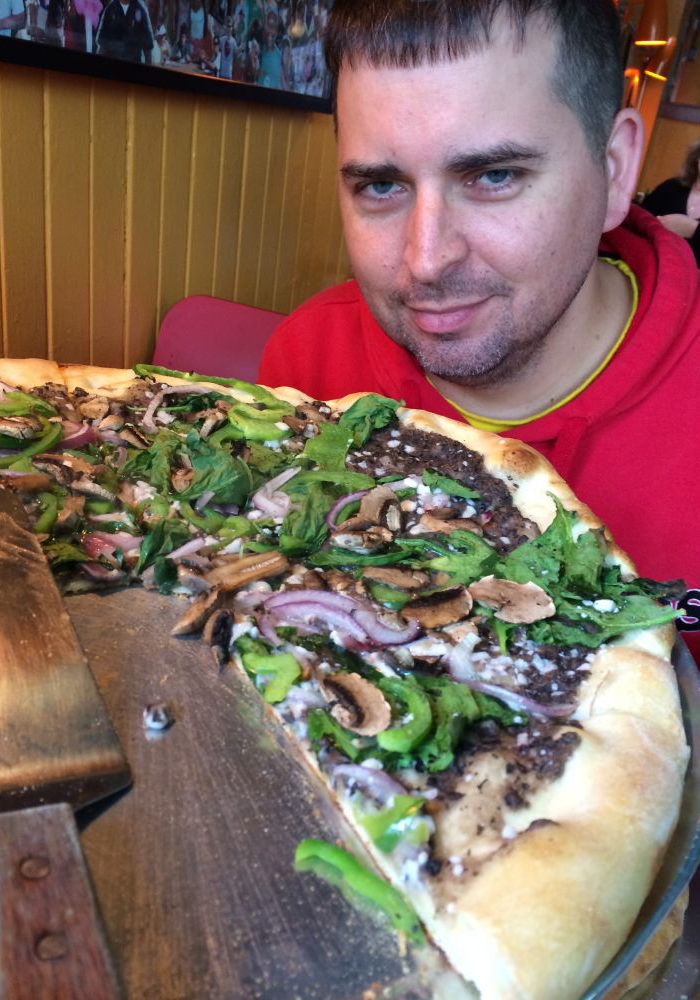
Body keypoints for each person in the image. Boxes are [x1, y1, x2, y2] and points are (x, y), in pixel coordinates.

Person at [258, 0, 700, 661]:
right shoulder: (306, 366)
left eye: (494, 176)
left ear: (613, 168)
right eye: (381, 186)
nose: (426, 260)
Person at [640, 139, 700, 266]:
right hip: (650, 267)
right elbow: (638, 223)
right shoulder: (670, 188)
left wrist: (694, 229)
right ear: (697, 158)